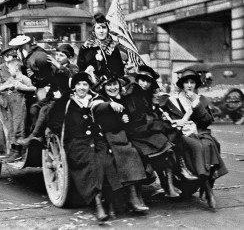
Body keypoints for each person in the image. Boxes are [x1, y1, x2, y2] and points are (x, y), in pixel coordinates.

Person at [48, 72, 122, 222]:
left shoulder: (95, 100)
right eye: (79, 84)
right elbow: (53, 120)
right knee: (90, 163)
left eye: (85, 84)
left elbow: (106, 116)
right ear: (74, 87)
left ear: (89, 87)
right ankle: (97, 203)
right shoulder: (67, 101)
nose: (82, 87)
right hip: (76, 142)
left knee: (106, 161)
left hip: (96, 139)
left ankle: (111, 202)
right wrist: (65, 130)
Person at [123, 65, 197, 198]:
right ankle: (176, 173)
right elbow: (136, 116)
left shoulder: (144, 92)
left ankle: (180, 169)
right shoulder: (132, 92)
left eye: (148, 81)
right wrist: (154, 121)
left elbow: (150, 111)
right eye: (142, 80)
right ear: (138, 80)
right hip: (136, 129)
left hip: (145, 127)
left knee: (173, 132)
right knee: (166, 132)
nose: (145, 84)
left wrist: (156, 118)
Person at [161, 69, 228, 208]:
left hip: (199, 132)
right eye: (187, 82)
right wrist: (177, 123)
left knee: (212, 143)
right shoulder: (173, 100)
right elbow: (167, 122)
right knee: (198, 146)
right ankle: (207, 188)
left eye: (192, 82)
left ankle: (209, 182)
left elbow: (207, 121)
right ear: (182, 85)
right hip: (181, 135)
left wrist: (196, 104)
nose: (189, 85)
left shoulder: (200, 99)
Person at [92, 75, 149, 213]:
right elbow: (96, 108)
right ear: (103, 87)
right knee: (128, 153)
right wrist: (110, 105)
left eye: (115, 84)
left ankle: (138, 196)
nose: (113, 88)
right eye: (108, 85)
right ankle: (132, 198)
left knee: (139, 151)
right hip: (106, 138)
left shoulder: (120, 99)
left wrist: (125, 119)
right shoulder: (100, 100)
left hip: (121, 135)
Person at [19, 43, 78, 146]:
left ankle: (34, 135)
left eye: (61, 55)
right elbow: (43, 82)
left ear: (69, 58)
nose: (58, 57)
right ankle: (40, 136)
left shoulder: (72, 67)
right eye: (57, 54)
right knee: (34, 108)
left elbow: (73, 75)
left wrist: (57, 65)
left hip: (67, 98)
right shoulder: (52, 68)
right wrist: (33, 77)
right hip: (53, 97)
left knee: (44, 110)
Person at [0, 59, 36, 163]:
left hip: (20, 107)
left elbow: (33, 88)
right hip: (11, 108)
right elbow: (0, 88)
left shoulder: (24, 78)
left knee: (18, 127)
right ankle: (13, 150)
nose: (9, 71)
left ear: (16, 68)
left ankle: (19, 151)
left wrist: (21, 87)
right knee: (11, 128)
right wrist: (8, 86)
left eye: (9, 69)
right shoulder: (11, 79)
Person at [77, 12, 125, 83]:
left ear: (108, 30)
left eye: (104, 27)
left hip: (110, 85)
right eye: (98, 28)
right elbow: (81, 70)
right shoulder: (86, 48)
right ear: (94, 30)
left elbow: (119, 71)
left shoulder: (114, 48)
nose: (101, 31)